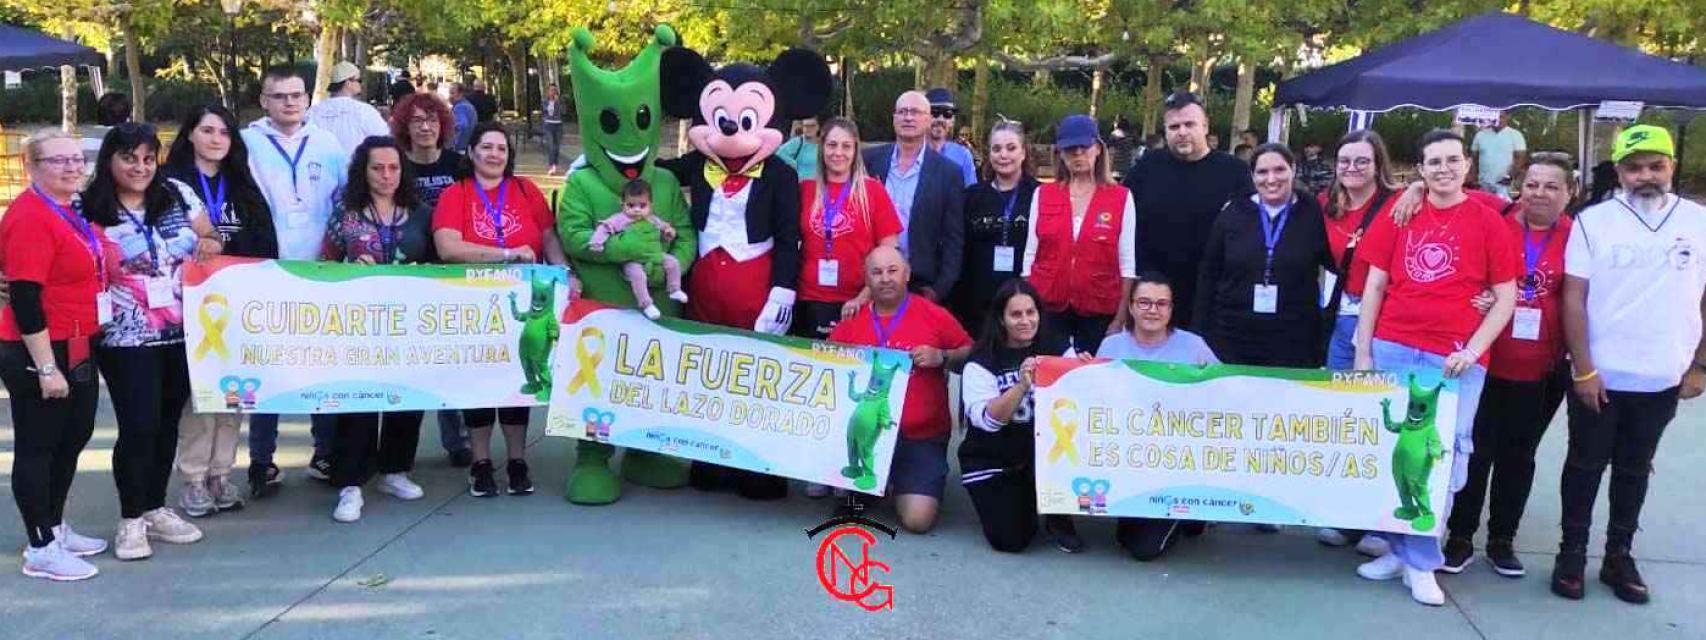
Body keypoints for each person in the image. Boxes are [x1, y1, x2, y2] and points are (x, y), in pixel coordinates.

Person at [1352, 129, 1520, 607]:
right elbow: (1375, 288)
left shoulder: (1488, 221)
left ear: (1467, 164)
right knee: (1393, 455)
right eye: (1433, 162)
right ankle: (1401, 553)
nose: (1443, 169)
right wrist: (1364, 351)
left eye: (1452, 160)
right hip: (1394, 349)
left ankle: (1423, 563)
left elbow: (1505, 296)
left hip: (1455, 361)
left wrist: (1473, 348)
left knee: (1442, 460)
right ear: (1420, 170)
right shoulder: (1400, 213)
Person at [1553, 125, 1706, 604]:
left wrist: (1700, 364)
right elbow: (1573, 299)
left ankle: (1618, 555)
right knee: (1584, 465)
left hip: (1664, 374)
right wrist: (1583, 369)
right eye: (1634, 167)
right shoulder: (1592, 222)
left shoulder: (1698, 221)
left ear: (1670, 168)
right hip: (1601, 375)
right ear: (1618, 171)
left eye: (1655, 166)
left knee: (1635, 469)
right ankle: (1571, 553)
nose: (1645, 176)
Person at [84, 123, 222, 560]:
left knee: (166, 425)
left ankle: (155, 507)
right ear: (110, 160)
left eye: (147, 157)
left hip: (183, 330)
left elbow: (212, 235)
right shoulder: (87, 206)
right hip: (125, 336)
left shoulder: (177, 193)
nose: (140, 167)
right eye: (129, 157)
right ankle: (130, 520)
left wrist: (208, 243)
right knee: (139, 426)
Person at [1441, 154, 1577, 578]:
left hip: (1541, 369)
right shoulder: (1493, 215)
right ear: (1520, 186)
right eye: (1532, 184)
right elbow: (1443, 187)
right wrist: (1411, 188)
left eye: (1551, 186)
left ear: (1569, 193)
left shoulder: (1579, 236)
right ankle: (1460, 535)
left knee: (1520, 456)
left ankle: (1502, 538)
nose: (1539, 193)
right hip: (1484, 359)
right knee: (1474, 449)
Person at [432, 122, 569, 498]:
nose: (494, 154)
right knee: (479, 384)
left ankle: (517, 461)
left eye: (502, 149)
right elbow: (448, 247)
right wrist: (506, 254)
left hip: (524, 302)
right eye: (487, 147)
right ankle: (479, 462)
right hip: (474, 303)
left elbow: (547, 236)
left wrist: (562, 272)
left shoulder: (525, 189)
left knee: (516, 381)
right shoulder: (455, 194)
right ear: (472, 151)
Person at [2, 129, 109, 581]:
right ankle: (41, 547)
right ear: (31, 167)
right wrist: (46, 367)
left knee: (74, 436)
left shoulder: (69, 211)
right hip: (41, 348)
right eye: (57, 161)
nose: (71, 167)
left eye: (76, 159)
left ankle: (56, 525)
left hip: (79, 341)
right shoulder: (30, 216)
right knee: (39, 445)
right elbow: (25, 298)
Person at [162, 104, 278, 517]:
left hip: (239, 306)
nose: (216, 139)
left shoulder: (243, 186)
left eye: (224, 132)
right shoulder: (169, 186)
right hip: (190, 308)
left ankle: (222, 472)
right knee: (199, 398)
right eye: (206, 130)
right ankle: (194, 478)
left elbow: (265, 244)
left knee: (235, 393)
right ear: (189, 134)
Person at [241, 66, 349, 496]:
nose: (289, 102)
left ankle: (324, 452)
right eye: (279, 96)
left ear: (308, 98)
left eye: (296, 95)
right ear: (264, 100)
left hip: (319, 270)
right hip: (268, 270)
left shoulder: (327, 142)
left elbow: (343, 198)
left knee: (320, 367)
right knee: (268, 368)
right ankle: (261, 460)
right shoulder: (247, 143)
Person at [321, 137, 433, 522]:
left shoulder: (420, 213)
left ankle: (395, 469)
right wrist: (349, 270)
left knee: (407, 395)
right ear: (362, 171)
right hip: (358, 324)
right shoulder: (346, 213)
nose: (386, 175)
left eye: (393, 168)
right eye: (377, 168)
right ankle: (351, 483)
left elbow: (439, 263)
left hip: (409, 324)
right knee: (359, 401)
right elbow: (324, 263)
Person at [828, 246, 973, 533]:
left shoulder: (934, 315)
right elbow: (828, 372)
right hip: (867, 434)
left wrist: (942, 356)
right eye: (877, 272)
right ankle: (876, 479)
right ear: (866, 280)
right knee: (851, 503)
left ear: (906, 274)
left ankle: (898, 480)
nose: (885, 278)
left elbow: (970, 351)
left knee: (918, 521)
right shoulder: (851, 323)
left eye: (892, 270)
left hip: (920, 436)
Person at [1315, 129, 1402, 553]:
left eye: (1362, 161)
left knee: (1380, 417)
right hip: (1340, 319)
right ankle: (1346, 514)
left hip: (1385, 318)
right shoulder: (1325, 205)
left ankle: (1380, 521)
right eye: (1345, 160)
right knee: (1344, 417)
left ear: (1378, 164)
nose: (1352, 168)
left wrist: (1420, 184)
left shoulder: (1399, 203)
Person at [1098, 272, 1221, 561]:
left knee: (1144, 550)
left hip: (1177, 463)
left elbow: (1224, 394)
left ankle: (1189, 512)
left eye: (1161, 304)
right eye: (1144, 302)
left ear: (1170, 309)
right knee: (1125, 537)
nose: (1153, 310)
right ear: (1130, 307)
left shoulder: (1194, 346)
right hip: (1129, 458)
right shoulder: (1112, 347)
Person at [961, 279, 1089, 553]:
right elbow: (989, 422)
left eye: (1031, 313)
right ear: (1001, 319)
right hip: (993, 457)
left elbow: (1083, 397)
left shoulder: (1055, 345)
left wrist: (1087, 370)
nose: (1025, 321)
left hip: (1042, 455)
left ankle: (1056, 514)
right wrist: (1020, 386)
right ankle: (1030, 502)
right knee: (1010, 540)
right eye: (1016, 314)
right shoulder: (981, 361)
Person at [1123, 92, 1255, 329]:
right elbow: (1125, 225)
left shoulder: (1234, 172)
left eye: (1189, 124)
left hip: (1214, 295)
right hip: (1155, 296)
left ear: (1205, 126)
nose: (1182, 131)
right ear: (1165, 130)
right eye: (1174, 126)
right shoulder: (1146, 169)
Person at [390, 91, 472, 468]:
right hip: (411, 275)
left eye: (432, 120)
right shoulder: (396, 167)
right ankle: (399, 449)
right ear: (405, 127)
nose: (425, 127)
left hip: (456, 273)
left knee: (454, 362)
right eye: (417, 121)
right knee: (415, 362)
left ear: (443, 126)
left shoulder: (459, 164)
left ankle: (458, 440)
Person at [1194, 143, 1331, 368]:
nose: (1271, 179)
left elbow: (1336, 262)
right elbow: (1209, 274)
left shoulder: (1313, 212)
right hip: (1233, 336)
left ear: (1293, 170)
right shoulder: (1233, 212)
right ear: (1252, 175)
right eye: (1262, 172)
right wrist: (1199, 335)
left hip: (1294, 340)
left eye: (1279, 170)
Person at [1023, 114, 1136, 354]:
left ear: (1098, 149)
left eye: (1084, 147)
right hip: (1049, 308)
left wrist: (1120, 319)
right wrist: (1028, 309)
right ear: (1060, 154)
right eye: (1069, 149)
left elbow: (1127, 265)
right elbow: (1030, 256)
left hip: (1100, 310)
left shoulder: (1121, 197)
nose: (1077, 154)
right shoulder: (1043, 194)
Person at [793, 118, 902, 341]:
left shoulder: (872, 191)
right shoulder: (805, 189)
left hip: (856, 300)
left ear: (855, 150)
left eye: (846, 146)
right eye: (832, 145)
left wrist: (863, 298)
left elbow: (890, 253)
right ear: (822, 148)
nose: (838, 153)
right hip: (809, 300)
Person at [863, 91, 966, 305]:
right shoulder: (869, 161)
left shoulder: (949, 173)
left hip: (922, 285)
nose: (908, 117)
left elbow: (953, 239)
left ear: (928, 120)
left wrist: (939, 290)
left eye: (915, 112)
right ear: (894, 118)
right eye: (902, 112)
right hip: (871, 282)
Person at [951, 120, 1038, 329]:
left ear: (1023, 153)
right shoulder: (971, 197)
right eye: (996, 149)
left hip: (1024, 302)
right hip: (977, 304)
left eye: (1011, 148)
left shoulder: (1039, 195)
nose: (1003, 155)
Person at [588, 179, 689, 320]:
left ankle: (674, 289)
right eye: (631, 205)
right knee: (638, 276)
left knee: (673, 262)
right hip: (632, 260)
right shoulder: (620, 219)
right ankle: (646, 304)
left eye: (642, 205)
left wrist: (668, 233)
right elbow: (605, 228)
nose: (636, 210)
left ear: (650, 206)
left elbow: (664, 230)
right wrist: (597, 243)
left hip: (653, 255)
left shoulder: (652, 219)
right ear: (622, 205)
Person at [306, 61, 391, 154]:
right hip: (355, 166)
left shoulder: (313, 111)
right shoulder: (365, 111)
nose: (360, 84)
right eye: (359, 80)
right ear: (348, 82)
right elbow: (384, 139)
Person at [923, 88, 978, 187]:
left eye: (947, 114)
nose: (940, 119)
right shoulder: (911, 154)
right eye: (934, 113)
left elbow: (970, 195)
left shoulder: (963, 156)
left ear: (952, 121)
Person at [1471, 113, 1527, 199]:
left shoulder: (1515, 135)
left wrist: (1509, 177)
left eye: (1501, 117)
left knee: (1503, 209)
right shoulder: (1480, 135)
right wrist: (1474, 180)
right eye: (1495, 117)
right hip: (1484, 184)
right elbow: (1474, 160)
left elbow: (1520, 159)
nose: (1498, 120)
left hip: (1505, 185)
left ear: (1508, 116)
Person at [542, 84, 568, 176]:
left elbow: (564, 112)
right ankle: (551, 166)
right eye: (551, 90)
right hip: (549, 125)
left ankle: (555, 165)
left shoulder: (560, 101)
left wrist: (558, 103)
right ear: (548, 92)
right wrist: (544, 121)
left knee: (556, 147)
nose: (553, 92)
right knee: (551, 146)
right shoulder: (545, 101)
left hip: (558, 125)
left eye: (554, 90)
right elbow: (544, 112)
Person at [449, 83, 477, 152]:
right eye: (450, 93)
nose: (450, 96)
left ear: (460, 94)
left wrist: (455, 145)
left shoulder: (460, 107)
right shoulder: (468, 105)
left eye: (452, 93)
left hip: (460, 148)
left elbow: (462, 126)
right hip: (468, 147)